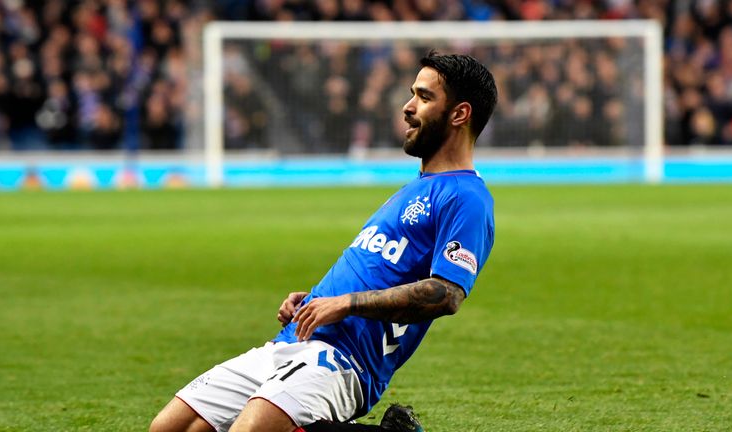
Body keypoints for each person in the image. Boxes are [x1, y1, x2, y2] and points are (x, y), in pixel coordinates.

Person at [150, 51, 498, 432]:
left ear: (460, 114)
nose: (407, 107)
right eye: (412, 94)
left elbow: (447, 294)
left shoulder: (466, 197)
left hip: (346, 360)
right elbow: (376, 267)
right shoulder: (415, 188)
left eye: (424, 97)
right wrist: (314, 300)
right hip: (292, 341)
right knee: (172, 427)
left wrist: (345, 304)